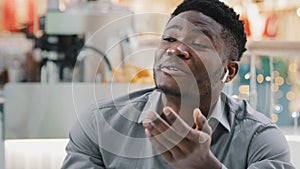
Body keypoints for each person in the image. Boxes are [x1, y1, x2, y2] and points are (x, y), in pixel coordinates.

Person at [61, 0, 295, 168]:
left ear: (229, 71)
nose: (177, 49)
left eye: (199, 43)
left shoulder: (260, 140)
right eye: (169, 39)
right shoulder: (100, 125)